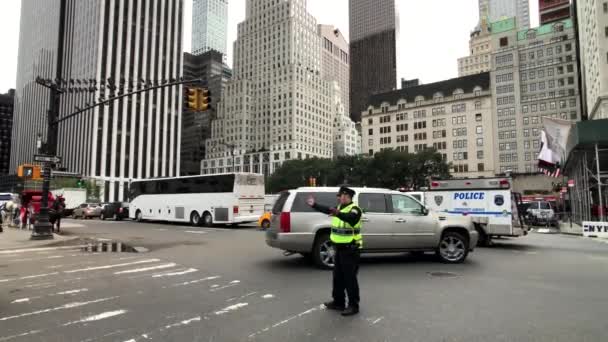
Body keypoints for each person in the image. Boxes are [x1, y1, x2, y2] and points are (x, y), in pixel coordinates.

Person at [306, 186, 363, 316]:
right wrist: (314, 205)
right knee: (337, 278)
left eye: (340, 195)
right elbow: (327, 209)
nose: (338, 197)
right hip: (339, 249)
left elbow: (350, 218)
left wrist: (337, 213)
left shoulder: (355, 209)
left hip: (351, 250)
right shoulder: (339, 208)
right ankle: (338, 302)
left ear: (346, 196)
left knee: (350, 279)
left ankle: (354, 306)